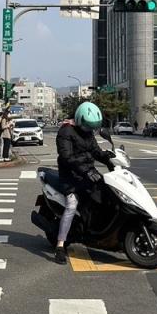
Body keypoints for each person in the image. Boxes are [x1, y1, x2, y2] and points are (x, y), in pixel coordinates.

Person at [53, 102, 113, 265]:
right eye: (87, 126)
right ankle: (60, 245)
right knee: (72, 205)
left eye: (92, 127)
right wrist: (84, 170)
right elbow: (66, 157)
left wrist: (108, 158)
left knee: (109, 193)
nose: (90, 130)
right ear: (79, 119)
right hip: (70, 176)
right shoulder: (66, 131)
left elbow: (95, 150)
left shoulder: (87, 132)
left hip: (88, 173)